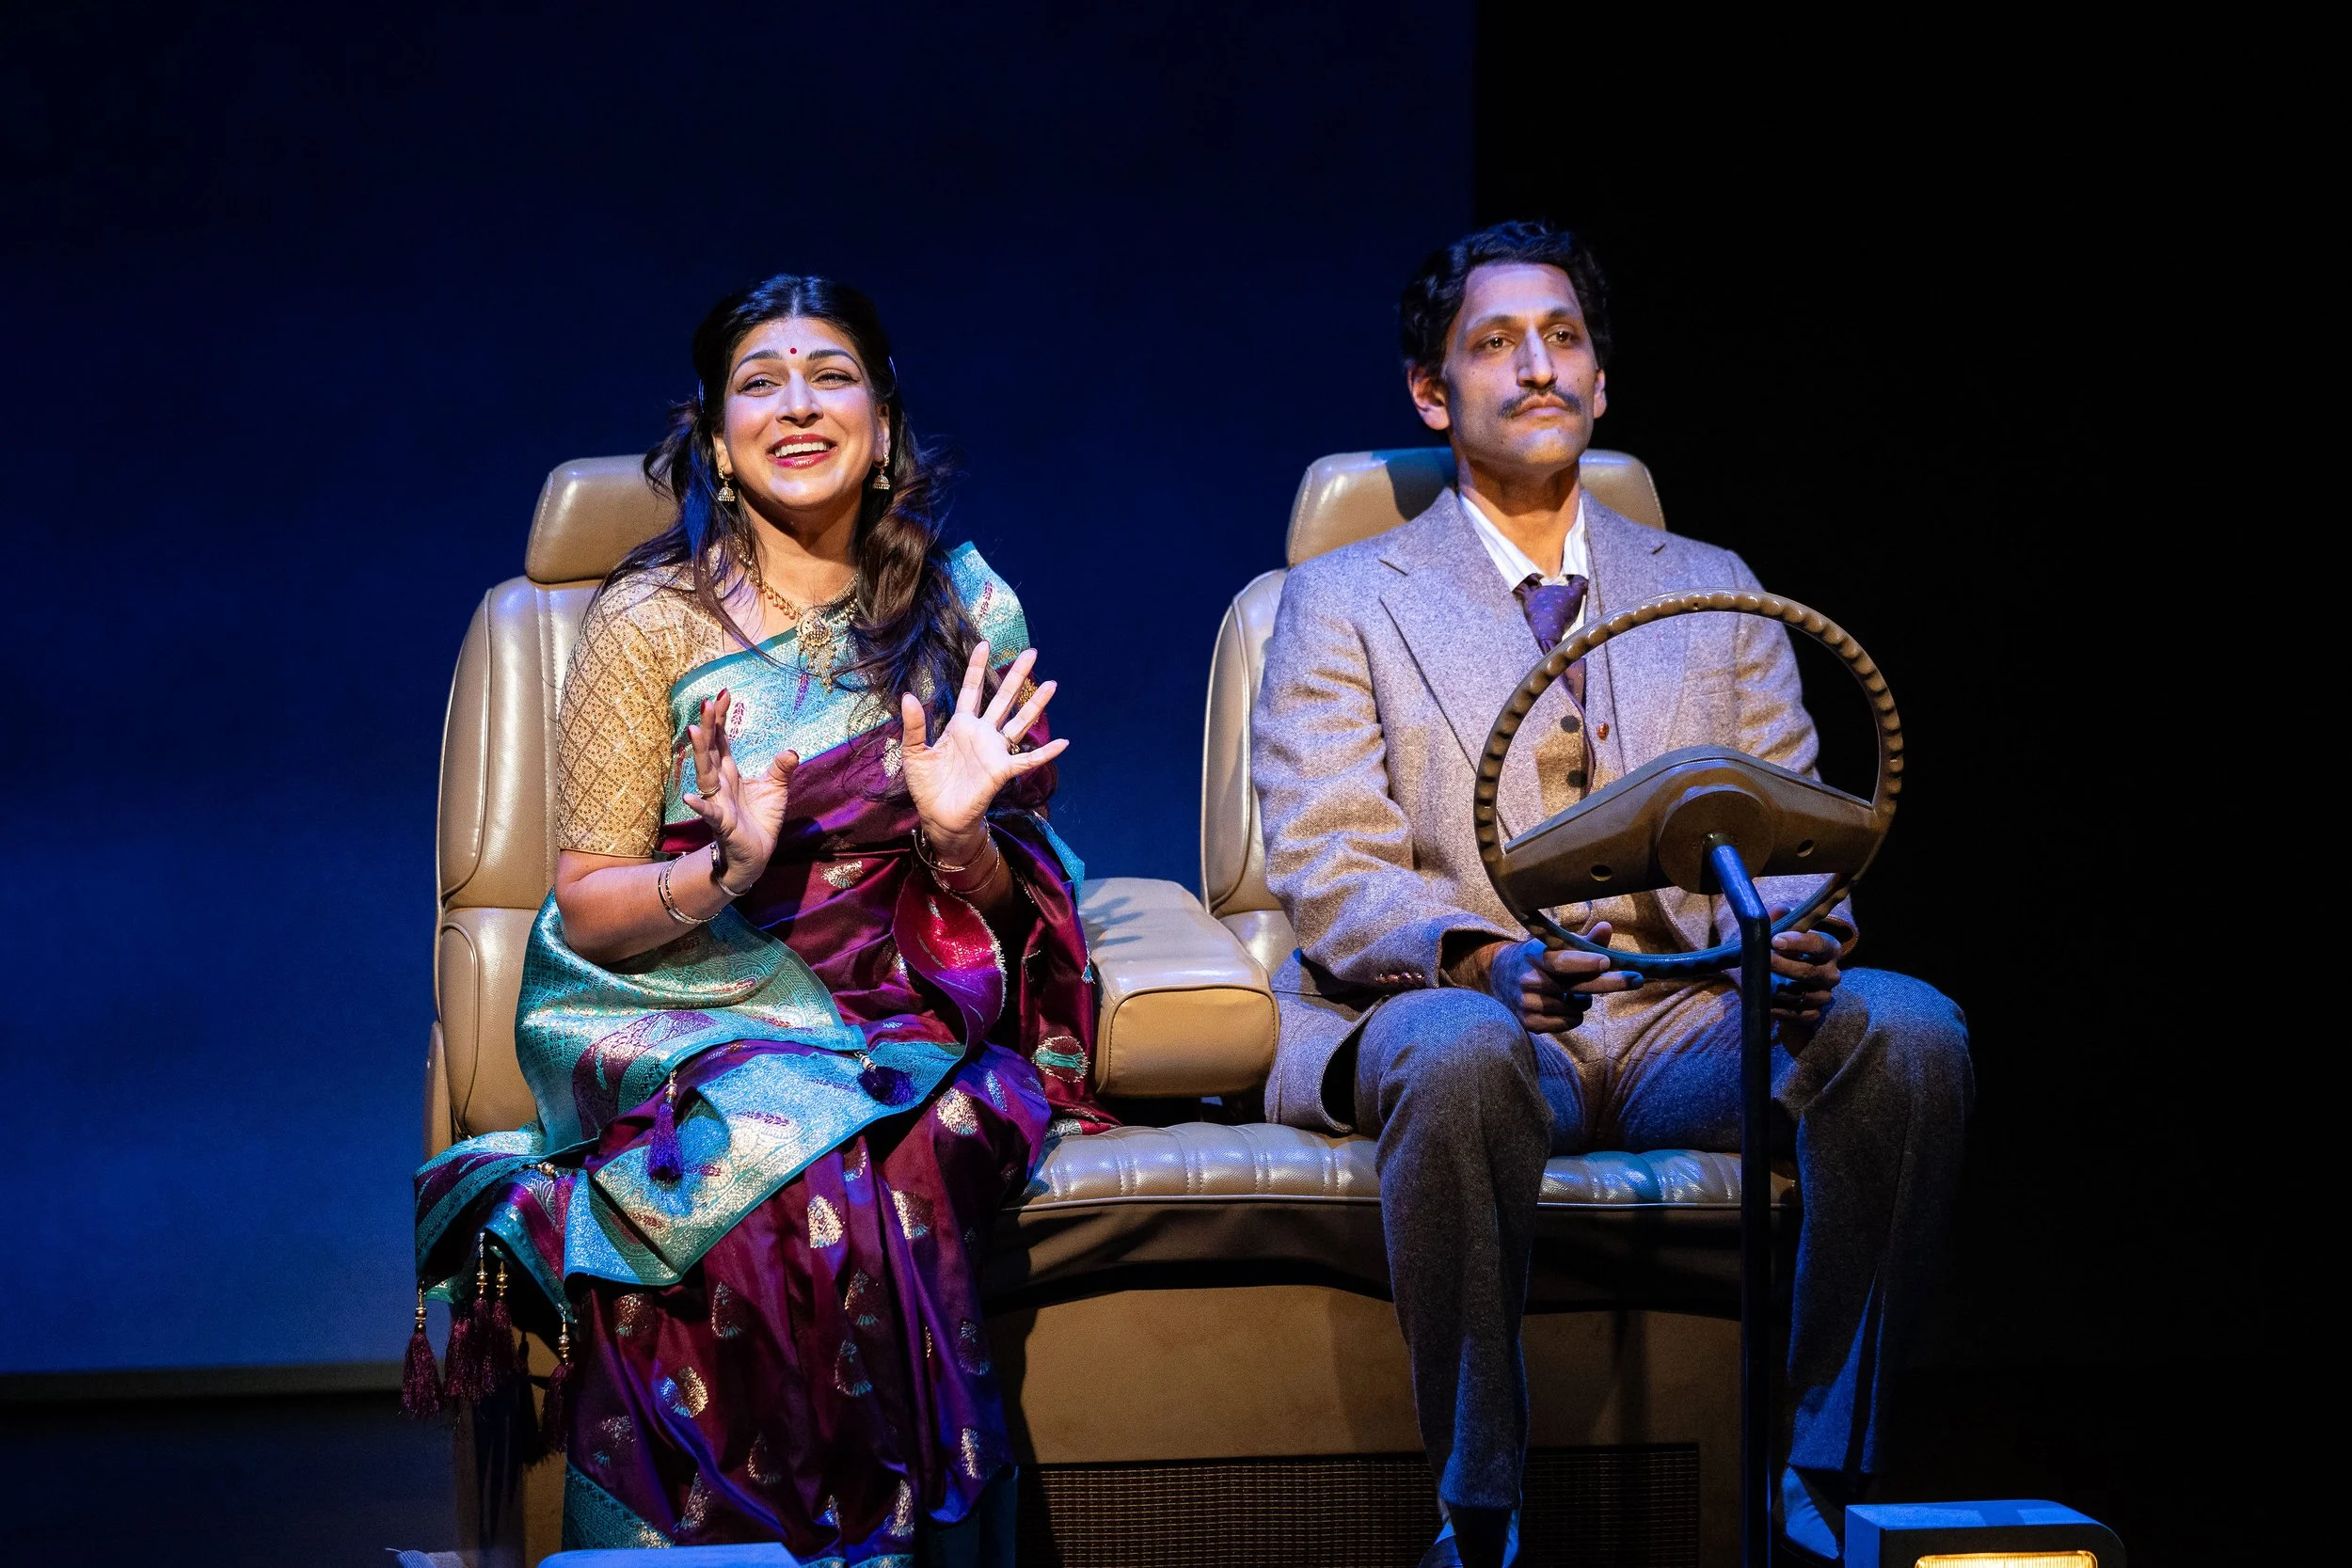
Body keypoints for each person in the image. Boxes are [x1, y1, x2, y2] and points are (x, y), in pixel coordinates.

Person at [1249, 221, 1973, 1568]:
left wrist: (1804, 933)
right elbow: (1328, 856)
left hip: (1683, 1019)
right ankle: (1481, 1503)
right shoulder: (1338, 599)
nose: (1536, 366)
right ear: (1431, 392)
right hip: (1462, 1011)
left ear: (1600, 384)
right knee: (1458, 1052)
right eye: (1494, 342)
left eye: (1564, 338)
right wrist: (1472, 958)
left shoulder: (1712, 585)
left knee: (1913, 1032)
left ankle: (1820, 1468)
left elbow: (1800, 822)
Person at [409, 274, 1112, 1563]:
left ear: (885, 423)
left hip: (915, 1016)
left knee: (895, 1143)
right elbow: (592, 901)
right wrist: (728, 868)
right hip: (683, 1002)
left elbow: (1015, 915)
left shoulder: (965, 607)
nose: (799, 404)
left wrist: (960, 839)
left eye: (832, 374)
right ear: (717, 436)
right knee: (763, 1148)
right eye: (761, 382)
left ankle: (885, 1545)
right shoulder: (648, 618)